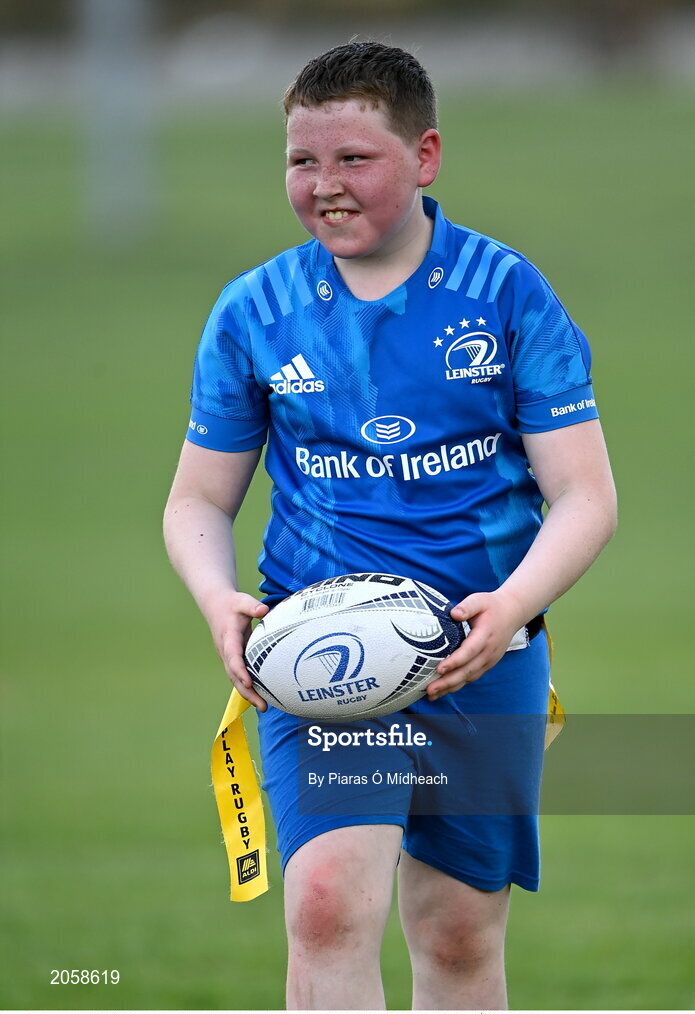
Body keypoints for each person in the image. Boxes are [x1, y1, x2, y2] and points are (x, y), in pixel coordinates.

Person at [163, 41, 617, 1010]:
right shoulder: (255, 312)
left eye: (352, 160)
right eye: (300, 161)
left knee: (456, 935)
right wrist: (215, 598)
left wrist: (512, 607)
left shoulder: (505, 295)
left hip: (478, 658)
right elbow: (197, 500)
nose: (323, 186)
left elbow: (585, 498)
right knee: (324, 903)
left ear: (425, 157)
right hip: (320, 657)